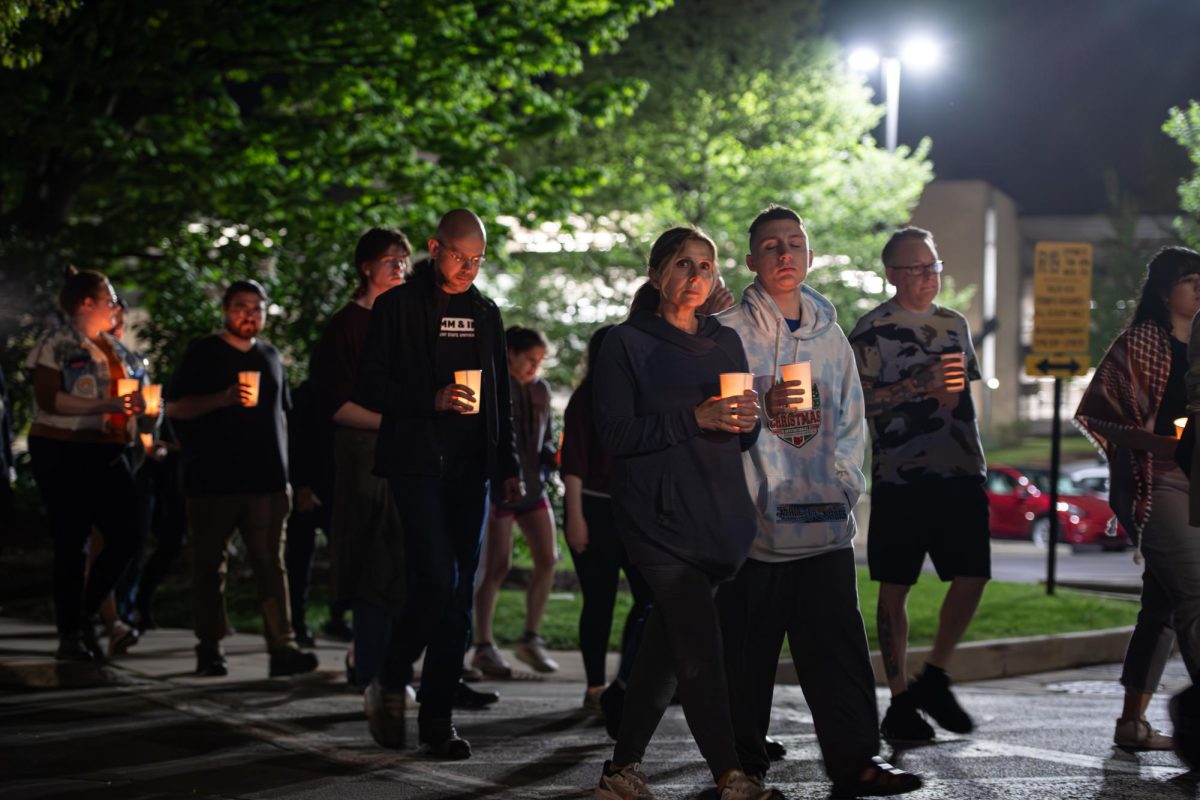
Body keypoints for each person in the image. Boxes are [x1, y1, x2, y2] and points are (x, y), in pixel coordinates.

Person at [717, 206, 921, 797]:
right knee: (746, 659)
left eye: (795, 244)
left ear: (809, 257)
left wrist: (842, 486)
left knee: (838, 652)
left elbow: (850, 422)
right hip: (752, 532)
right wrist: (746, 499)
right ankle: (743, 768)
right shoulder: (728, 332)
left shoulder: (832, 337)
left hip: (823, 526)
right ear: (752, 260)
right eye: (771, 246)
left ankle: (857, 759)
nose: (785, 255)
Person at [590, 226, 782, 800]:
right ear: (657, 275)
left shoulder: (724, 343)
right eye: (682, 265)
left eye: (705, 267)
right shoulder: (625, 344)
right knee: (700, 650)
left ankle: (621, 772)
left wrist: (749, 423)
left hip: (718, 521)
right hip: (656, 524)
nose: (696, 277)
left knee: (665, 654)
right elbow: (616, 436)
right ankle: (732, 776)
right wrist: (692, 418)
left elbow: (739, 438)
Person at [354, 209, 521, 759]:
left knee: (458, 596)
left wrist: (510, 466)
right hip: (416, 461)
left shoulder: (486, 313)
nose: (469, 268)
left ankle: (437, 719)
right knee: (436, 576)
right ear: (433, 247)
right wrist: (431, 399)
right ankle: (391, 673)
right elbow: (370, 383)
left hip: (470, 467)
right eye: (459, 256)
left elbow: (500, 398)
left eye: (478, 259)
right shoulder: (397, 307)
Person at [848, 226, 988, 741]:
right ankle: (900, 698)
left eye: (933, 267)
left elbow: (963, 396)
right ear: (892, 274)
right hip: (900, 476)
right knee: (895, 585)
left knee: (972, 574)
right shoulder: (871, 330)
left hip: (961, 469)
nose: (928, 277)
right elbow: (857, 404)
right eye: (916, 269)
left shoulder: (954, 324)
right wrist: (916, 385)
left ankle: (936, 674)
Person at [1076, 246, 1200, 751]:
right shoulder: (1142, 343)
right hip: (1157, 481)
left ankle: (1132, 723)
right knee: (1195, 595)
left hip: (1196, 479)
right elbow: (1099, 414)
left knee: (1162, 605)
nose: (1199, 289)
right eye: (1191, 280)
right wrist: (1160, 442)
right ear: (1165, 290)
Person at [165, 279, 317, 679]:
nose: (249, 314)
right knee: (210, 566)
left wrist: (290, 477)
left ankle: (282, 646)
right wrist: (221, 398)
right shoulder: (204, 353)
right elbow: (175, 409)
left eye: (257, 307)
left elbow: (282, 419)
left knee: (271, 564)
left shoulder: (270, 356)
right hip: (212, 480)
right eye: (241, 306)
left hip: (267, 482)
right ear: (226, 309)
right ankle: (210, 646)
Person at [25, 268, 144, 660]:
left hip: (107, 448)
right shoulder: (56, 343)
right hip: (62, 448)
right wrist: (104, 405)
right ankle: (70, 633)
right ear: (86, 304)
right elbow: (49, 399)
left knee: (128, 531)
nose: (115, 307)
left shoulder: (116, 349)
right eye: (109, 299)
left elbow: (135, 392)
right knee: (71, 540)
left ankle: (85, 612)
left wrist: (140, 411)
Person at [562, 324, 653, 714]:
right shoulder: (585, 398)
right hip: (595, 508)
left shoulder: (638, 393)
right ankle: (595, 685)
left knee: (650, 598)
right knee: (598, 603)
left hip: (633, 510)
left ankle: (628, 679)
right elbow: (574, 463)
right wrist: (575, 516)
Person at [472, 326, 561, 676]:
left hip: (534, 489)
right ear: (510, 353)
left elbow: (546, 437)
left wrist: (550, 459)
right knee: (497, 565)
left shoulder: (541, 389)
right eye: (530, 359)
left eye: (539, 361)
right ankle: (483, 644)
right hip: (500, 488)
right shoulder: (495, 387)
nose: (534, 367)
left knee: (548, 557)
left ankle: (531, 637)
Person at [284, 377, 352, 647]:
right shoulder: (305, 397)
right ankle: (297, 622)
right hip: (310, 484)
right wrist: (301, 484)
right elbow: (295, 440)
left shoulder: (348, 389)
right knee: (299, 557)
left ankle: (337, 615)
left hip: (336, 485)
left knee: (343, 554)